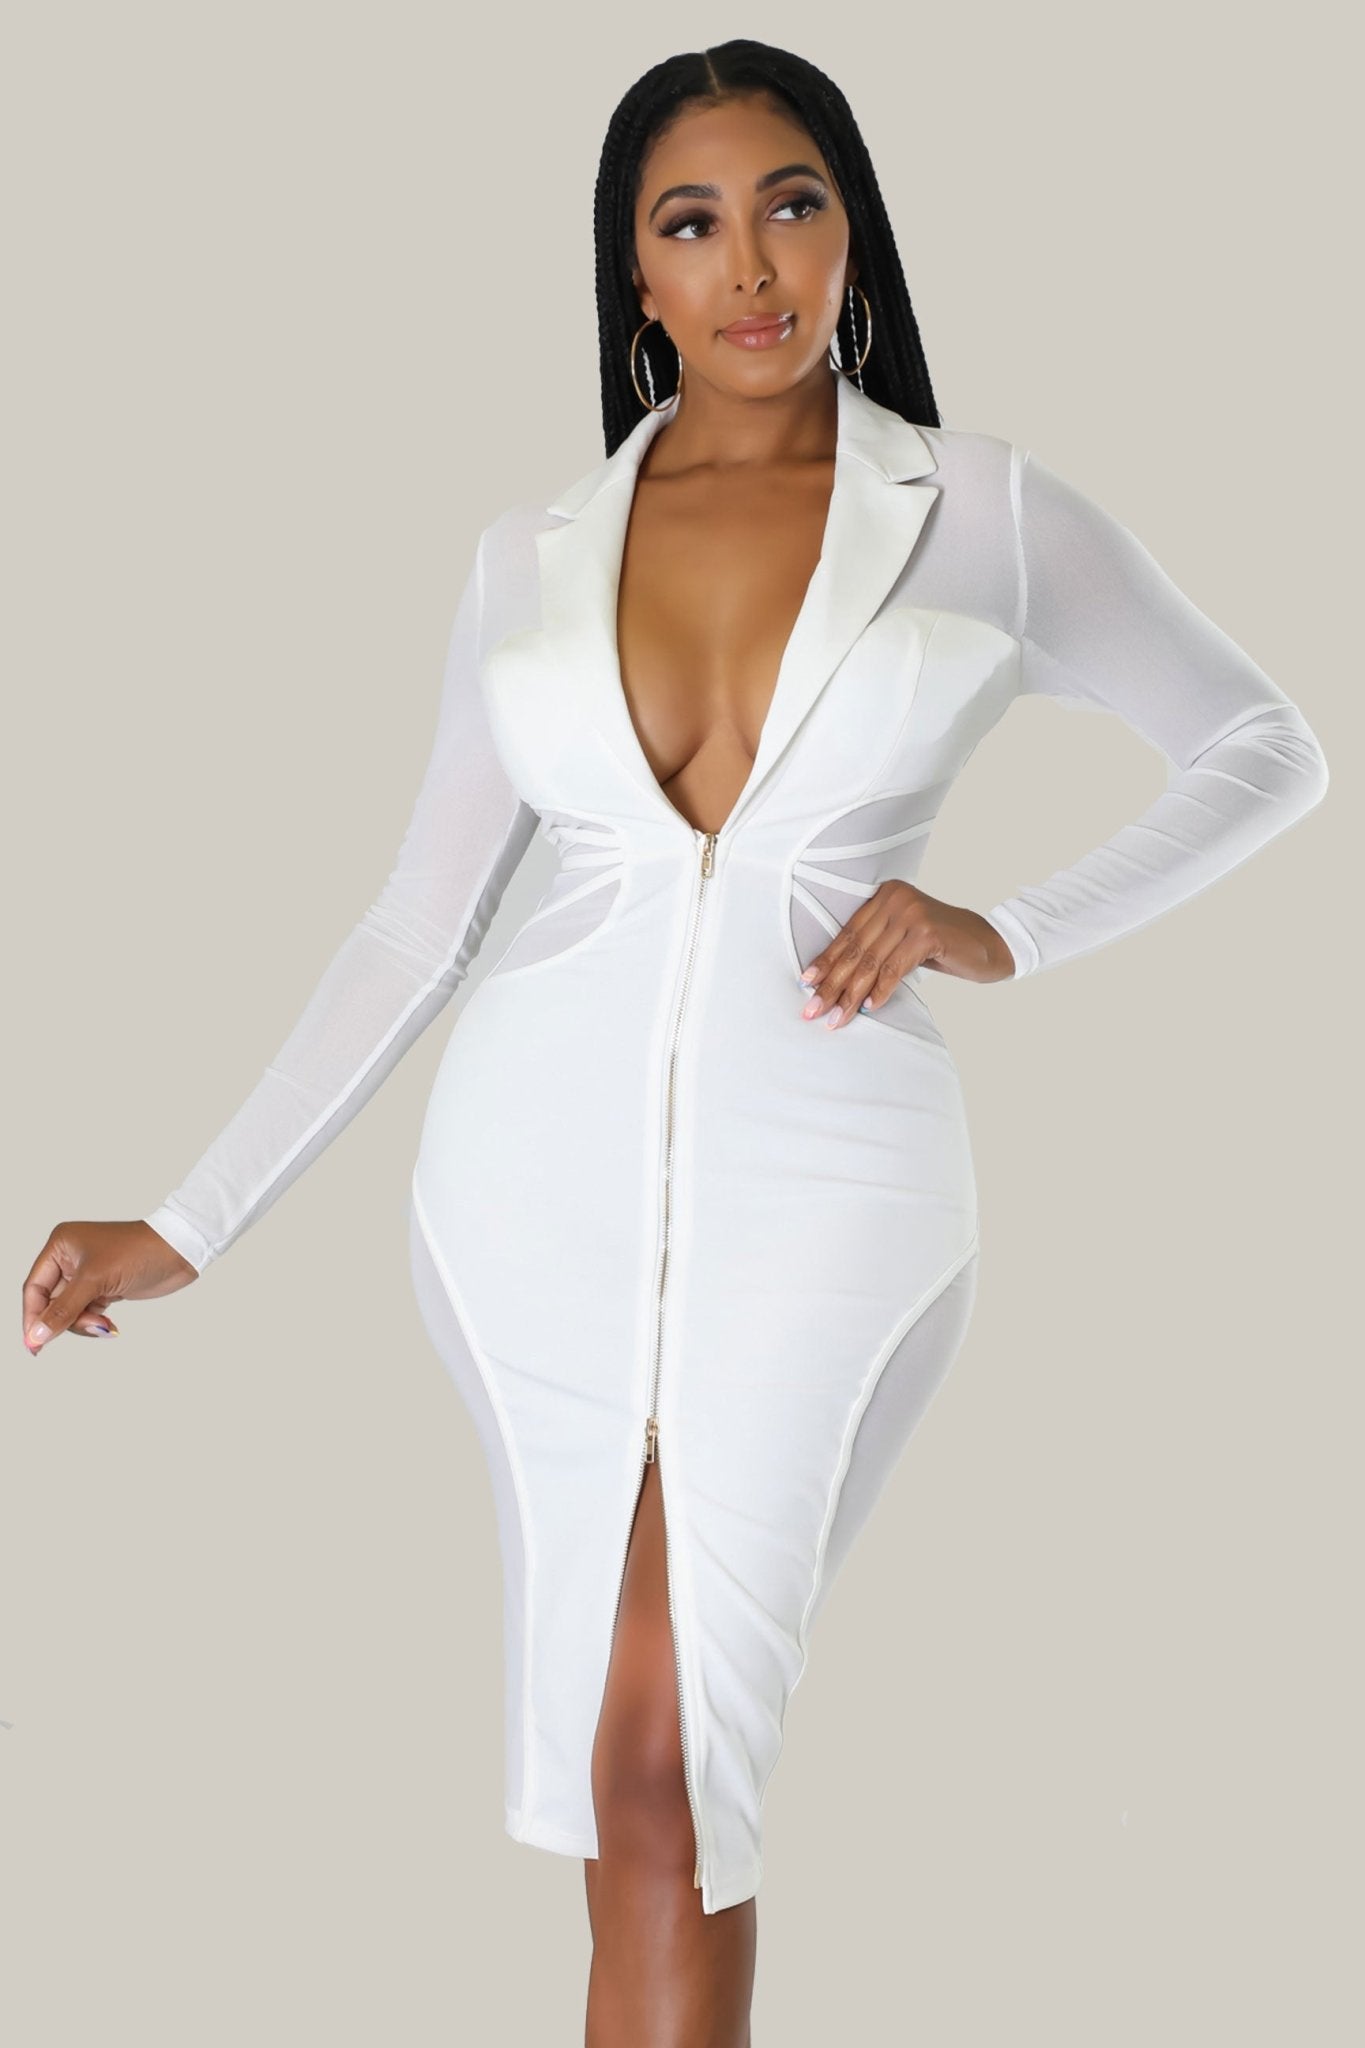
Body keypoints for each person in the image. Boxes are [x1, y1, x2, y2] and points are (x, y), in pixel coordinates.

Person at [22, 40, 1329, 2048]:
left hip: (831, 1186)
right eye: (691, 223)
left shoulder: (980, 508)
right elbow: (417, 922)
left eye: (790, 205)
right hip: (526, 1188)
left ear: (850, 232)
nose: (750, 265)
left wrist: (1002, 928)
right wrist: (188, 1224)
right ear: (633, 275)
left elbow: (1261, 746)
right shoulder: (528, 556)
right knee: (623, 1784)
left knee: (673, 1768)